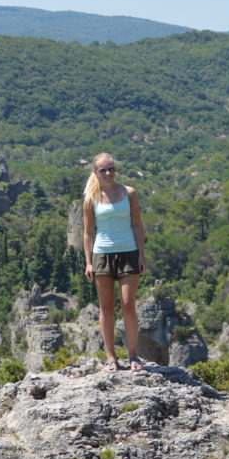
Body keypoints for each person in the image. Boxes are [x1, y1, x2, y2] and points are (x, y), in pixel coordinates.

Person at [82, 153, 146, 372]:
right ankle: (111, 357)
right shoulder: (91, 198)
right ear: (96, 173)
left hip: (128, 253)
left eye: (111, 169)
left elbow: (137, 224)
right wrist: (89, 262)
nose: (109, 173)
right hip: (102, 255)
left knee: (128, 305)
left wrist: (141, 254)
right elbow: (88, 232)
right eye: (103, 170)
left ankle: (134, 356)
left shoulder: (129, 193)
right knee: (106, 308)